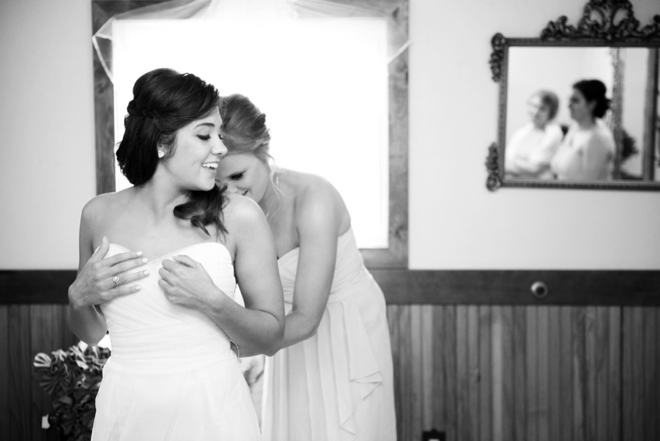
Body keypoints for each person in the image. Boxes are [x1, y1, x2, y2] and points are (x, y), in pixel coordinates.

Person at [67, 68, 284, 440]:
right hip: (127, 409)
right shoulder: (96, 214)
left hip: (212, 410)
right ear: (162, 142)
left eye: (219, 134)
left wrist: (213, 302)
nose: (221, 147)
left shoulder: (240, 216)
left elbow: (270, 337)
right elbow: (90, 332)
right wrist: (77, 298)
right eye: (205, 135)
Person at [215, 94, 397, 441]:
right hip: (287, 337)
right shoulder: (228, 210)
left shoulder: (314, 199)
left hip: (344, 325)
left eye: (239, 175)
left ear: (263, 150)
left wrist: (226, 348)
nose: (232, 193)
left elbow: (308, 318)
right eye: (220, 184)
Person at [550, 79, 615, 181]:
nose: (569, 105)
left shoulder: (598, 138)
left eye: (575, 101)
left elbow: (591, 183)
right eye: (569, 100)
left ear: (591, 104)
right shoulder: (574, 129)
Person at [505, 90, 564, 179]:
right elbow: (507, 158)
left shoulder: (554, 133)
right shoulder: (522, 131)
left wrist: (511, 164)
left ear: (551, 113)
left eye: (542, 109)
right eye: (534, 106)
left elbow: (534, 168)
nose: (535, 112)